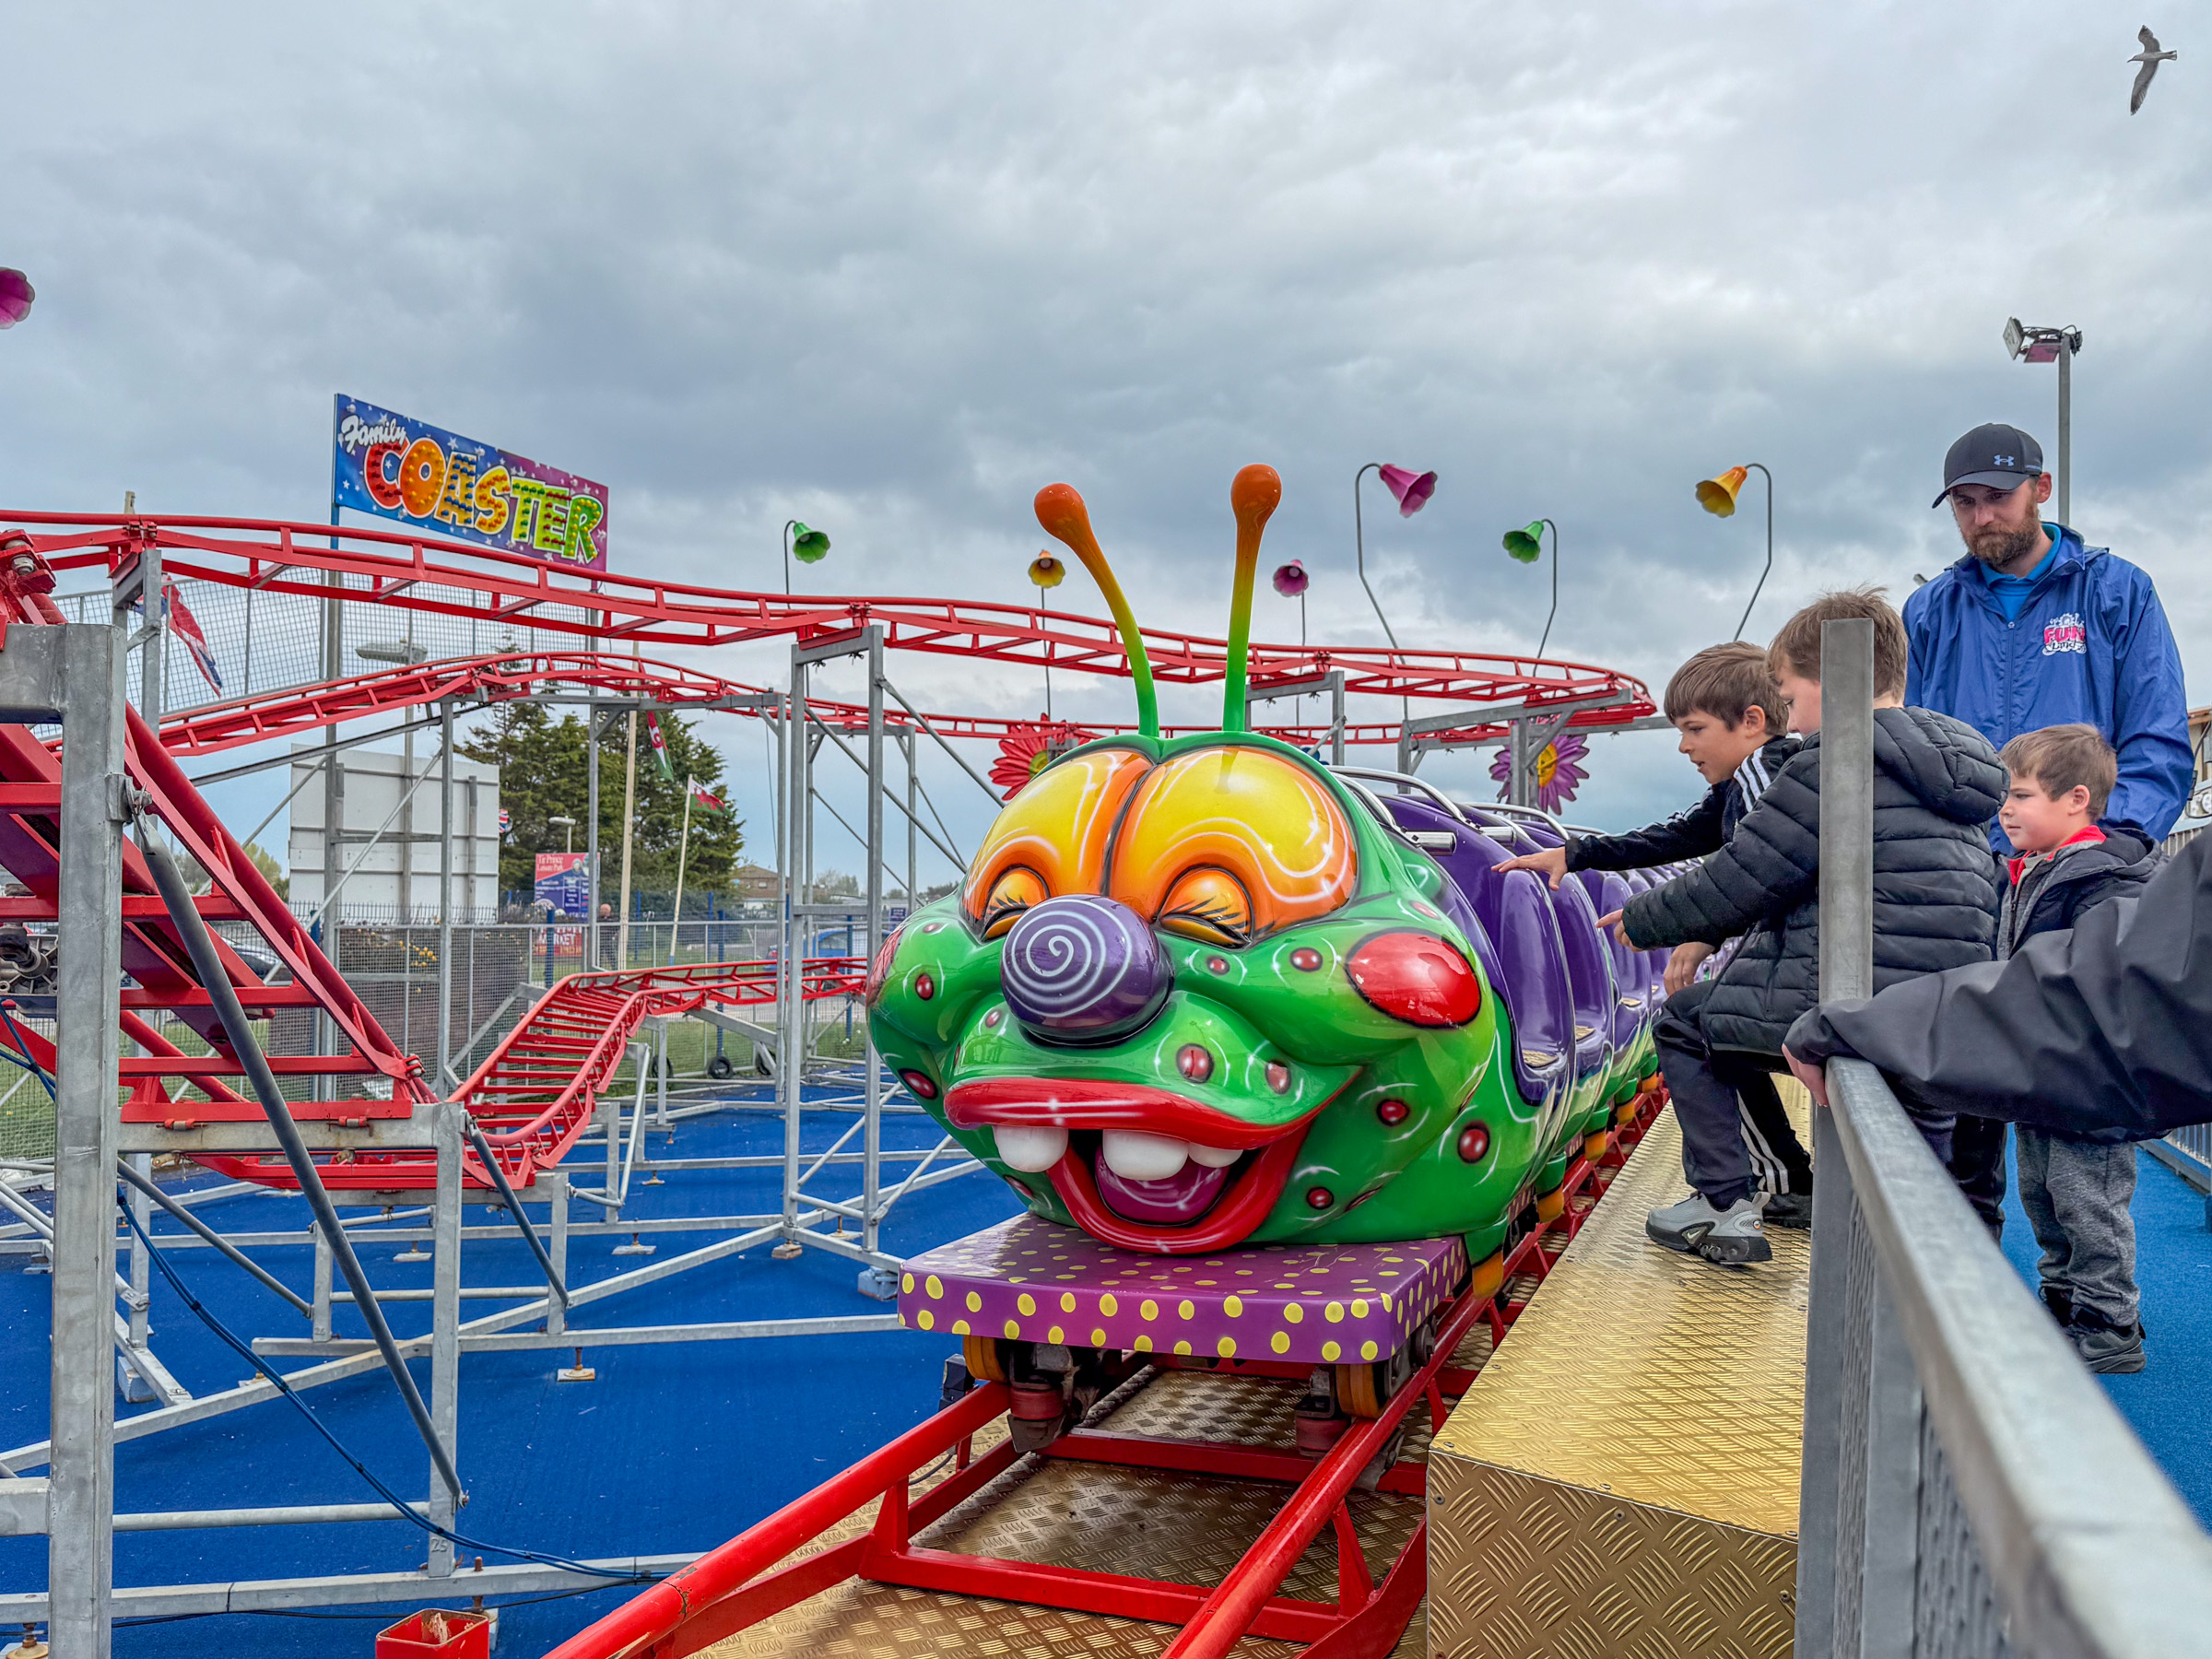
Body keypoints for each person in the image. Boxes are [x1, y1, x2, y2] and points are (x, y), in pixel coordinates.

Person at [1603, 588, 2005, 1266]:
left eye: (1790, 698)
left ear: (1835, 682)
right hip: (1940, 1002)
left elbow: (1746, 875)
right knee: (1929, 1157)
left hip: (1861, 992)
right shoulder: (1955, 771)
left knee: (1686, 1023)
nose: (1789, 720)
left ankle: (1726, 1200)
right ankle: (1949, 1270)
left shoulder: (1833, 760)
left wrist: (1645, 919)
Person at [1906, 421, 2192, 1241]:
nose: (1980, 517)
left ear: (2042, 489)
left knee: (2073, 1099)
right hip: (1969, 882)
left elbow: (2158, 735)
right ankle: (1961, 1278)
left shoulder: (2115, 591)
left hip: (2080, 884)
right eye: (1964, 503)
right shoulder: (1931, 609)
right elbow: (1914, 743)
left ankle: (2088, 1290)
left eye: (1997, 497)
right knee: (1960, 1090)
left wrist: (2116, 848)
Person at [1493, 642, 1814, 1220]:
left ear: (1751, 721)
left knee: (1694, 1026)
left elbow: (1757, 871)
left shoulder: (1764, 776)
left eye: (1695, 729)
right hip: (1809, 963)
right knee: (1713, 1021)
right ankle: (1781, 1178)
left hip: (1807, 968)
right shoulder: (1748, 782)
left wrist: (1677, 923)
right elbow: (1678, 837)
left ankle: (1735, 1195)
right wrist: (1576, 854)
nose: (1684, 747)